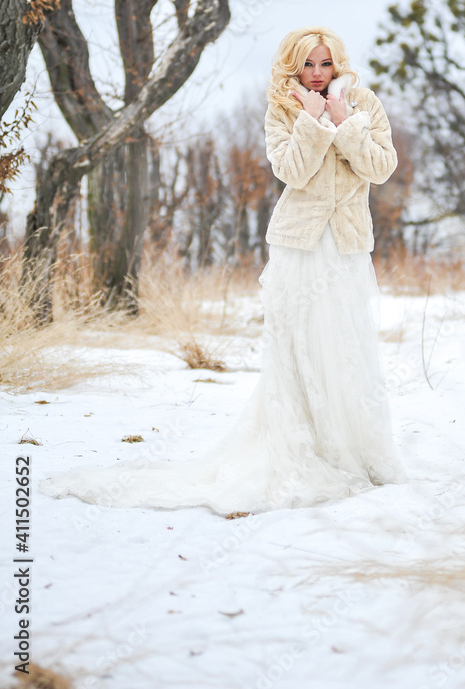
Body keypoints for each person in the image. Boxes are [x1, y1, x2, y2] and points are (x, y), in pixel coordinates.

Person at [39, 26, 408, 515]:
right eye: (308, 65)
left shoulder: (362, 102)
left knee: (344, 344)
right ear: (294, 67)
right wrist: (315, 123)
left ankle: (352, 450)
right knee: (299, 347)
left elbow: (381, 168)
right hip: (299, 245)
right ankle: (306, 449)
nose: (317, 75)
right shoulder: (283, 108)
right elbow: (292, 173)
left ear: (338, 64)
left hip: (348, 245)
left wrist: (346, 122)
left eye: (325, 65)